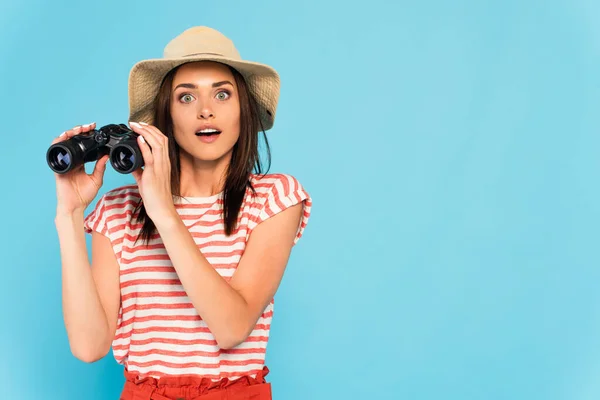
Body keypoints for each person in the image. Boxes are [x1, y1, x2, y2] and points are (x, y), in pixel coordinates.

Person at [52, 26, 312, 400]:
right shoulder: (118, 210)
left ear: (244, 110)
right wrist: (70, 216)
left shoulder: (275, 198)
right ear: (166, 117)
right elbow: (89, 346)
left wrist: (165, 214)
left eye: (222, 94)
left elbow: (231, 327)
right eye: (186, 97)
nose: (206, 110)